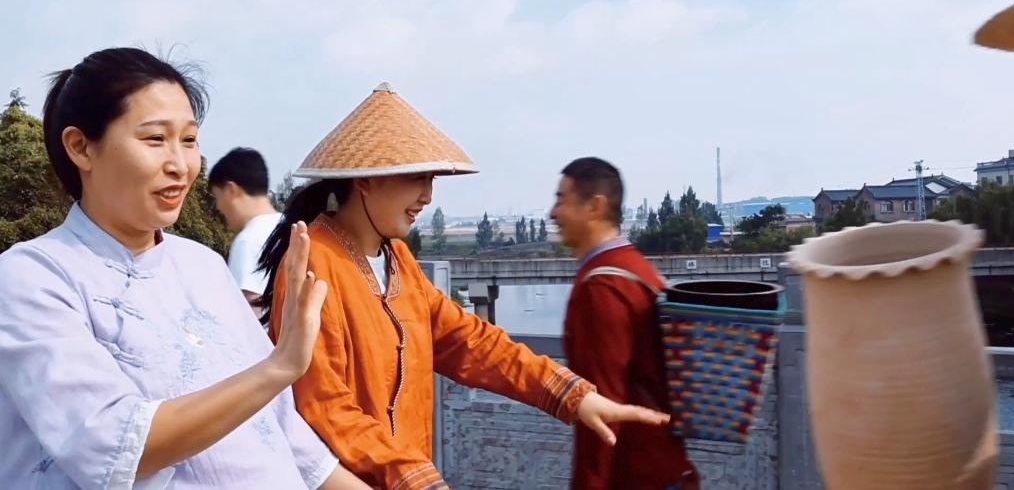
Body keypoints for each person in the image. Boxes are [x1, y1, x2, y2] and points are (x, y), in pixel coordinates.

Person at [258, 83, 671, 490]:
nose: (427, 196)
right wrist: (411, 476)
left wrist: (574, 396)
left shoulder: (398, 259)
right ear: (366, 180)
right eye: (417, 177)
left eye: (432, 179)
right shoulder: (313, 264)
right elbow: (323, 405)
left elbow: (471, 342)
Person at [0, 47, 367, 489]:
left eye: (189, 140)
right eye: (155, 139)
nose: (180, 165)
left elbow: (288, 438)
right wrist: (279, 366)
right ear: (81, 147)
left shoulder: (204, 265)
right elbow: (116, 446)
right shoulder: (32, 276)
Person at [550, 157, 699, 489]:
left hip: (636, 475)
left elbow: (603, 404)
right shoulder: (635, 268)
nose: (553, 213)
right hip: (666, 466)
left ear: (595, 206)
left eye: (561, 200)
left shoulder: (602, 287)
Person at [210, 147, 283, 318]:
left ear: (231, 190)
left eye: (217, 197)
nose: (218, 207)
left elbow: (250, 317)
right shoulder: (289, 226)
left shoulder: (248, 242)